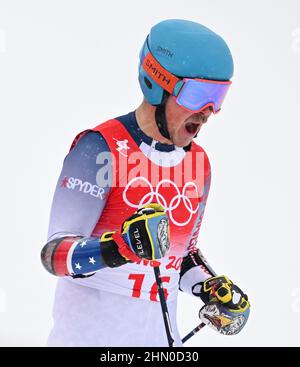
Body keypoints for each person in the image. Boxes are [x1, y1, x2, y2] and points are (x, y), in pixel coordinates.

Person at [41, 19, 250, 347]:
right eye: (199, 95)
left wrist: (211, 289)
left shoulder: (199, 165)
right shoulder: (100, 148)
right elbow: (55, 254)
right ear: (158, 84)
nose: (209, 112)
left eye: (219, 96)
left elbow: (181, 256)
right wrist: (117, 247)